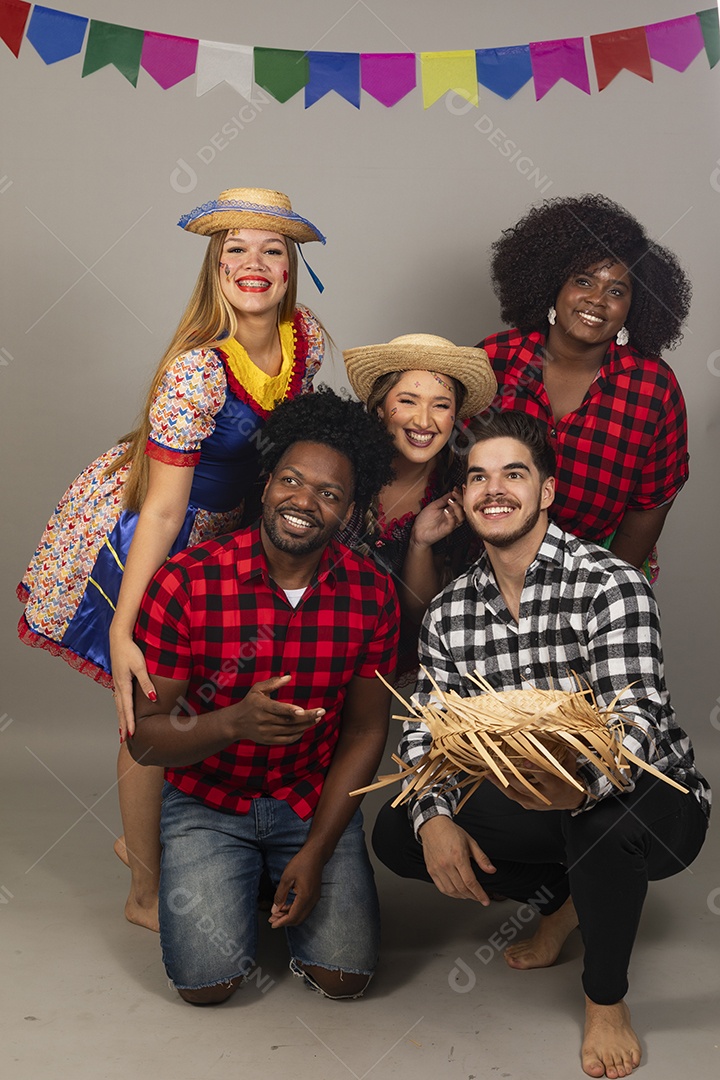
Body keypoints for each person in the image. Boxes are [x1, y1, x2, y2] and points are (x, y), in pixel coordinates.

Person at [17, 187, 327, 931]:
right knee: (147, 706)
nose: (253, 265)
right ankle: (145, 890)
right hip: (157, 531)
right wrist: (126, 627)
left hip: (232, 530)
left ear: (292, 268)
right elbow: (161, 508)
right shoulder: (198, 371)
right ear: (214, 270)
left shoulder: (305, 337)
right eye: (235, 252)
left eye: (271, 250)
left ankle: (178, 843)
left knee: (207, 702)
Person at [373, 411, 709, 1078]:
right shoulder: (448, 613)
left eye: (514, 475)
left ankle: (605, 999)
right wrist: (434, 815)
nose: (494, 490)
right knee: (397, 836)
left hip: (652, 800)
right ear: (463, 497)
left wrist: (579, 781)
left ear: (546, 491)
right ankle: (565, 897)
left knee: (605, 825)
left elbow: (635, 718)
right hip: (530, 799)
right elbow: (425, 729)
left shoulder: (610, 581)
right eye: (478, 477)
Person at [128, 388, 399, 1004]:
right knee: (206, 984)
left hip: (309, 801)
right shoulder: (186, 580)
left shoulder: (372, 594)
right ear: (268, 481)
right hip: (208, 801)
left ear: (350, 511)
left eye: (329, 494)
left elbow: (364, 732)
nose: (304, 502)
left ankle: (274, 871)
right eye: (292, 480)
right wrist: (232, 723)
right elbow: (146, 739)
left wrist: (317, 849)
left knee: (345, 978)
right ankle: (231, 874)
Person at [477, 193, 692, 581]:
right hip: (485, 565)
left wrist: (603, 593)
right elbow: (450, 465)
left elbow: (651, 505)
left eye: (616, 290)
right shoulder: (494, 360)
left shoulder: (653, 389)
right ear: (553, 285)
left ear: (634, 306)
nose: (597, 299)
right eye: (583, 281)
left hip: (594, 575)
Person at [342, 334, 496, 677]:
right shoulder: (340, 469)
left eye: (440, 405)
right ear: (380, 407)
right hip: (320, 651)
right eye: (408, 401)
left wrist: (420, 543)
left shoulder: (463, 492)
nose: (424, 421)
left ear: (455, 415)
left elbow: (425, 612)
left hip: (402, 675)